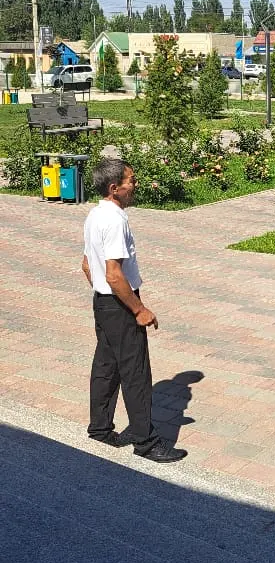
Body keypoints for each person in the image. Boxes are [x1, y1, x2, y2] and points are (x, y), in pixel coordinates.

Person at [82, 157, 186, 463]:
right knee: (136, 372)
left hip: (104, 302)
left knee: (107, 366)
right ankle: (146, 442)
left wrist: (105, 295)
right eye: (131, 180)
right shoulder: (115, 220)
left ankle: (100, 429)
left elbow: (87, 265)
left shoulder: (95, 214)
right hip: (120, 303)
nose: (136, 185)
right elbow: (114, 274)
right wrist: (138, 309)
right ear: (115, 188)